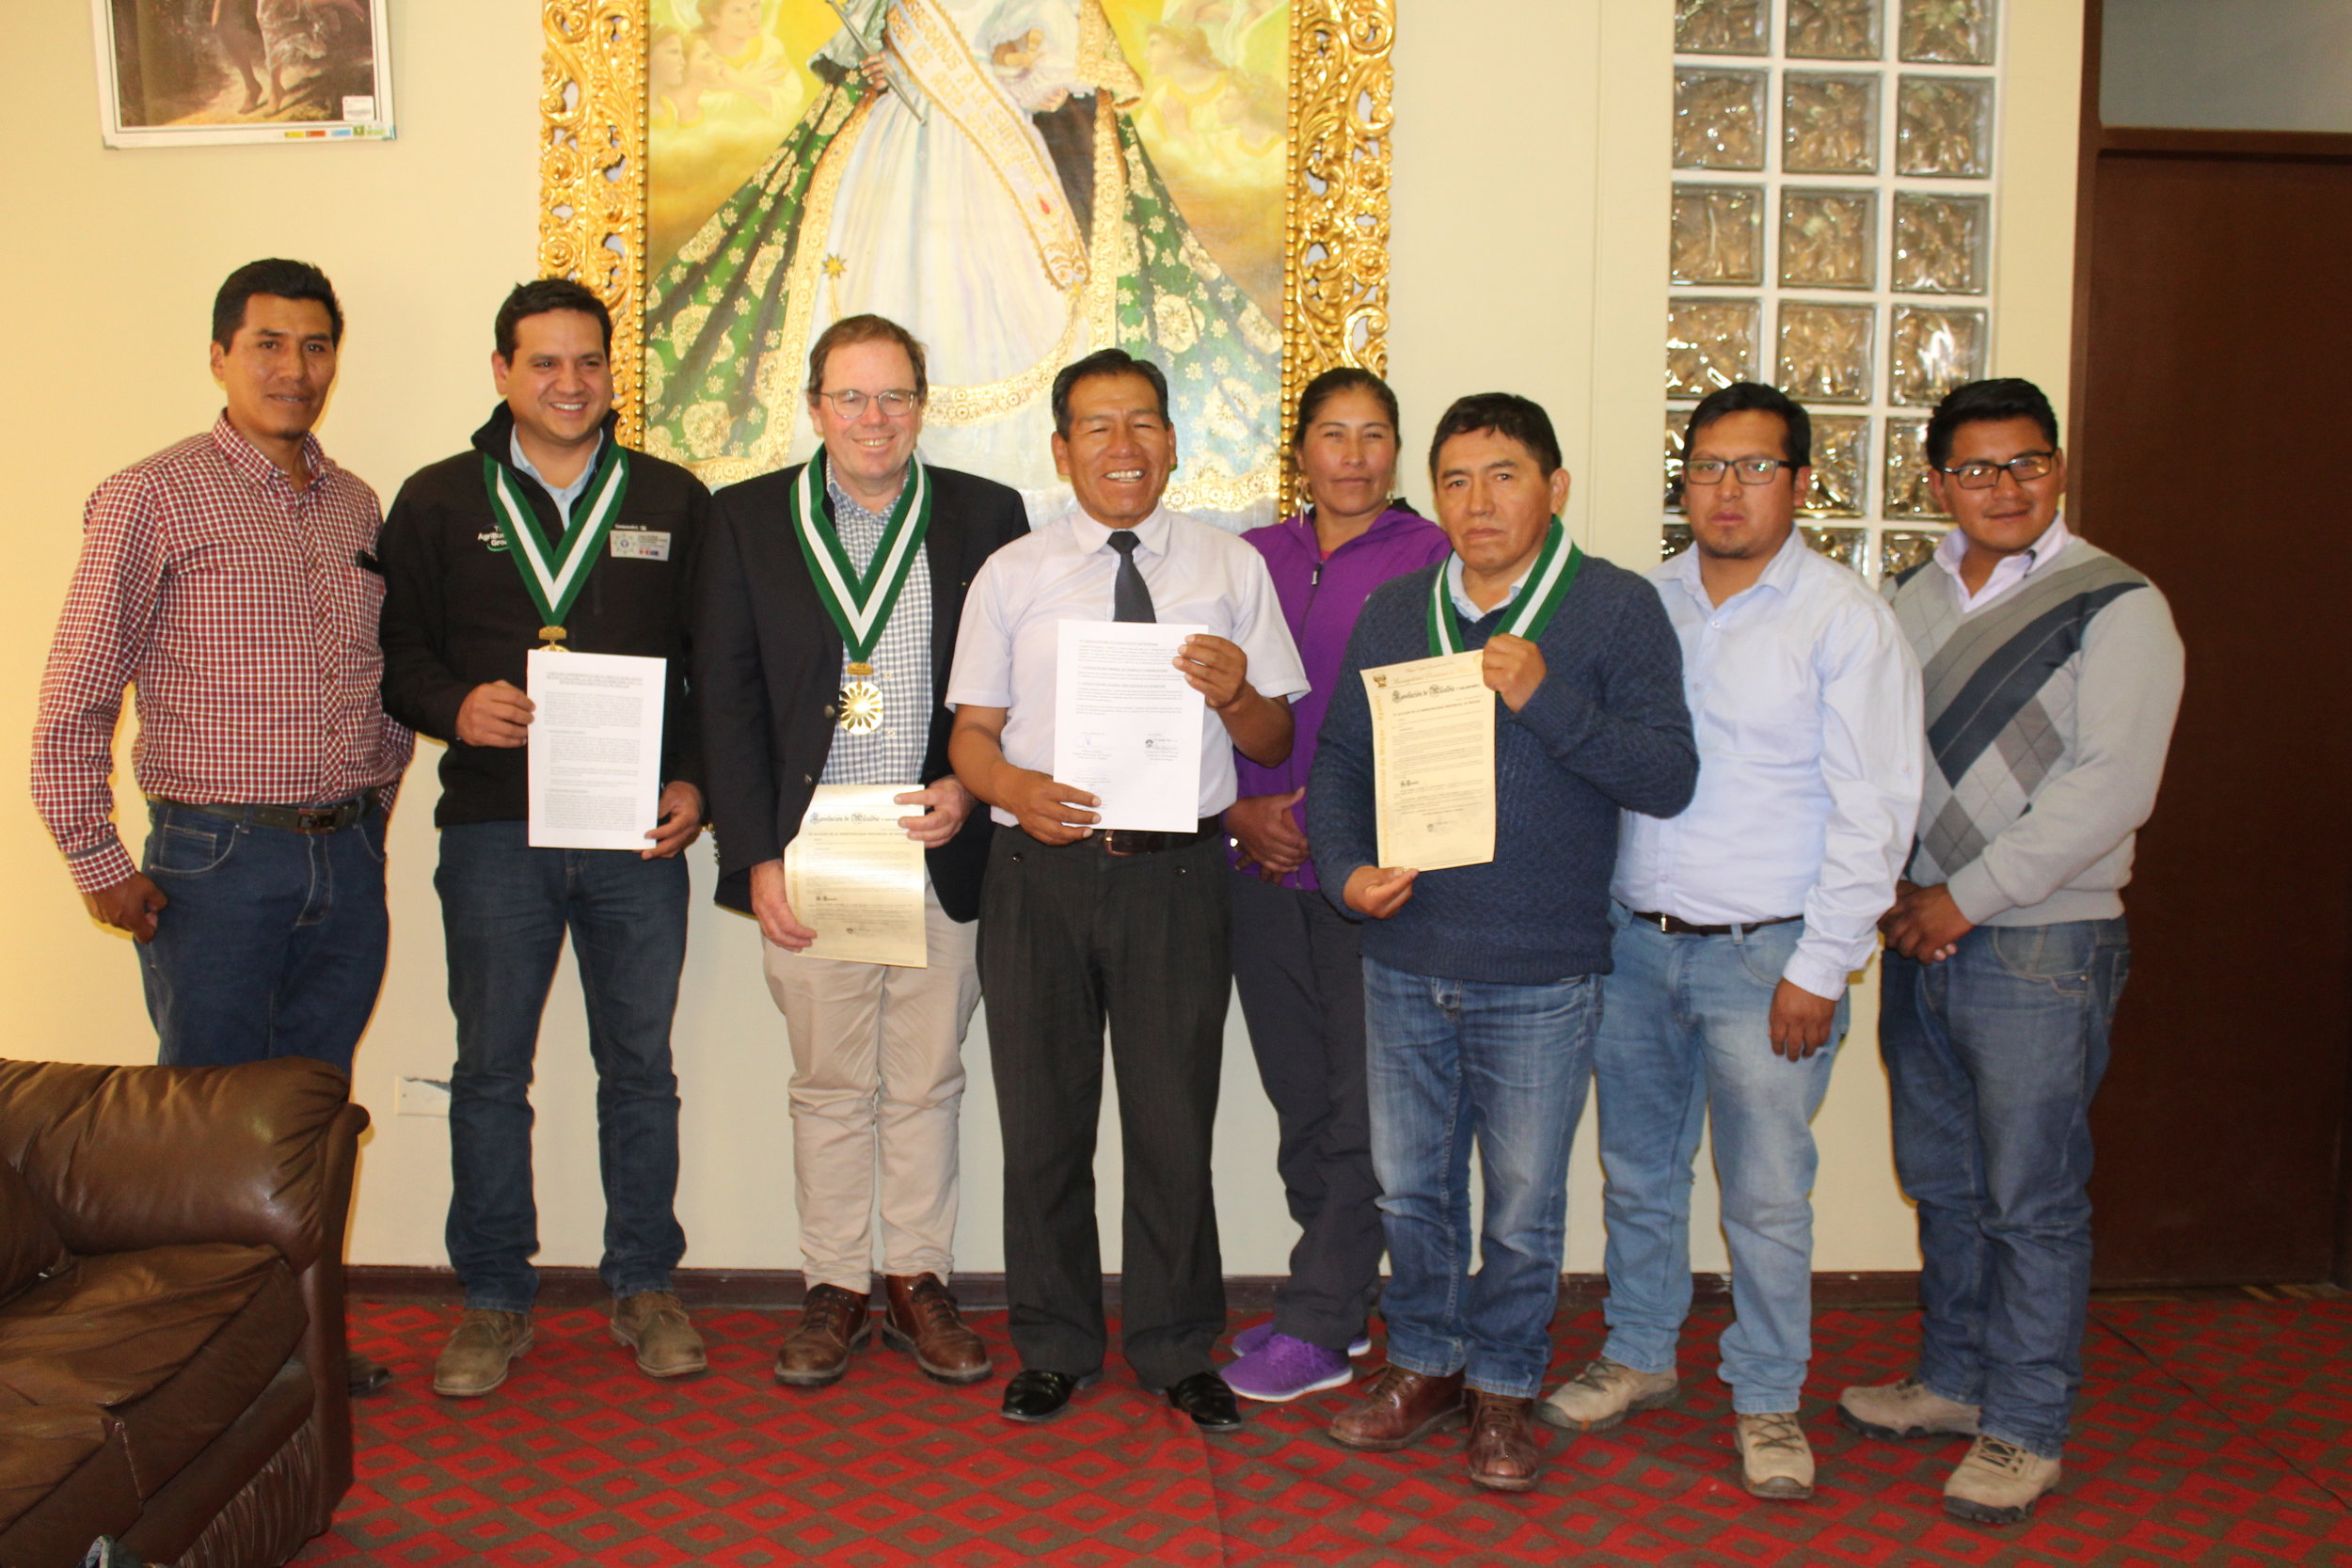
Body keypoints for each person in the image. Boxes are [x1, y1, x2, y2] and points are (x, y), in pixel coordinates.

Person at [31, 257, 410, 1401]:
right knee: (200, 1130)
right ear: (219, 354)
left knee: (305, 1119)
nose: (294, 368)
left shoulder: (357, 505)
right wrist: (97, 858)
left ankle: (304, 1343)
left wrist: (369, 823)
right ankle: (199, 1367)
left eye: (315, 345)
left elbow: (376, 685)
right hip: (214, 861)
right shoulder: (151, 494)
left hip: (342, 860)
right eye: (268, 344)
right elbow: (74, 698)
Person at [1538, 383, 1921, 1499]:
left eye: (1755, 467)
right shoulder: (1637, 602)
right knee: (1638, 1173)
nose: (1727, 487)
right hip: (1634, 942)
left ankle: (1765, 1397)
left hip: (1770, 957)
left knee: (1764, 1192)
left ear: (1799, 484)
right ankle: (1642, 1353)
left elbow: (1875, 806)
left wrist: (1822, 962)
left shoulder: (1843, 618)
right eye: (1707, 464)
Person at [1309, 392, 1697, 1492]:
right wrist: (1343, 873)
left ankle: (1504, 1387)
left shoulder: (1615, 610)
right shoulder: (1397, 609)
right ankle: (1426, 1360)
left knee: (1524, 1204)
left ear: (1555, 487)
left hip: (1541, 966)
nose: (1478, 503)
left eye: (1504, 475)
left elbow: (1668, 776)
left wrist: (1546, 698)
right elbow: (1339, 764)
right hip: (1405, 954)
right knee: (1410, 1191)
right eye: (1456, 480)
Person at [1839, 377, 2183, 1524]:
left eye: (2026, 462)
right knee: (1943, 1179)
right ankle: (1951, 1379)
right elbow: (1879, 755)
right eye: (1978, 469)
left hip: (2041, 939)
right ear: (1938, 483)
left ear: (2059, 466)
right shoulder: (1908, 597)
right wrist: (1893, 886)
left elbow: (2110, 789)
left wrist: (1962, 899)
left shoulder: (2117, 604)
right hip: (1916, 929)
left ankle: (2025, 1422)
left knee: (2029, 1195)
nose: (2005, 486)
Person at [946, 348, 1307, 1430]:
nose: (1123, 445)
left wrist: (1237, 692)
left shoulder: (1228, 565)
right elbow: (969, 733)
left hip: (1175, 875)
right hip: (1035, 875)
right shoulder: (1011, 572)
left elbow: (1274, 734)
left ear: (1173, 442)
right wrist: (1012, 784)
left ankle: (1170, 1342)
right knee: (1043, 1124)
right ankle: (1053, 1340)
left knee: (1169, 1122)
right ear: (1060, 450)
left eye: (1143, 422)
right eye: (1097, 426)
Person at [377, 279, 713, 1399]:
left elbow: (713, 666)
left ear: (614, 373)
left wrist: (696, 781)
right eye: (544, 363)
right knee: (488, 1072)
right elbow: (396, 659)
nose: (569, 383)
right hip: (492, 831)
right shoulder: (433, 500)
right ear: (501, 371)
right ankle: (489, 1296)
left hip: (632, 837)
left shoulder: (670, 496)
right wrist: (451, 705)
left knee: (640, 1070)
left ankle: (643, 1281)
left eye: (589, 363)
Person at [696, 314, 1028, 1390]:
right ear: (814, 406)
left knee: (927, 1077)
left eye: (893, 398)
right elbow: (729, 701)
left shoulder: (986, 515)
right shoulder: (745, 520)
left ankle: (918, 1279)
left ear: (922, 405)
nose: (873, 419)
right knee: (830, 1083)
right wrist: (754, 854)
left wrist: (965, 788)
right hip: (814, 852)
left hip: (933, 842)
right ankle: (833, 1286)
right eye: (851, 397)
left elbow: (1016, 683)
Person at [641, 0, 1282, 515]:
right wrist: (879, 67)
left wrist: (1012, 75)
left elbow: (1063, 67)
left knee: (1007, 310)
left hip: (992, 163)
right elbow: (863, 43)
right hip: (890, 154)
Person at [1218, 369, 1448, 1402]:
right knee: (1298, 1100)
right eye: (1331, 435)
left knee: (1363, 1109)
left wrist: (1339, 826)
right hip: (1256, 867)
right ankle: (1337, 1293)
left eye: (1374, 436)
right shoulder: (1248, 559)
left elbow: (1442, 730)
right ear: (1298, 449)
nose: (1353, 456)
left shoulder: (1435, 557)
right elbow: (1192, 716)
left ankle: (1318, 1316)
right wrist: (1236, 812)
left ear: (1394, 452)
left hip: (1370, 881)